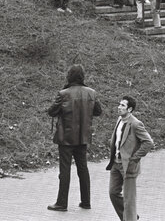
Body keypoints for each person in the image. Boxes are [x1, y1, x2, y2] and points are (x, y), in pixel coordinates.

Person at [46, 64, 103, 212]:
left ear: (69, 75)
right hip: (83, 136)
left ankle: (62, 203)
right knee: (83, 169)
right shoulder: (91, 93)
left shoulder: (64, 93)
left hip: (66, 137)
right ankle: (86, 201)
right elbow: (98, 111)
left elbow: (52, 111)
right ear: (83, 76)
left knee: (64, 170)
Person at [106, 95, 154, 221]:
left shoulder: (136, 124)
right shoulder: (119, 119)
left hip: (128, 166)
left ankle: (130, 217)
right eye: (119, 104)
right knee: (113, 193)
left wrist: (135, 158)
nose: (119, 107)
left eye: (123, 105)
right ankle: (130, 217)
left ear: (130, 109)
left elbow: (149, 143)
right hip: (116, 164)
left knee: (129, 200)